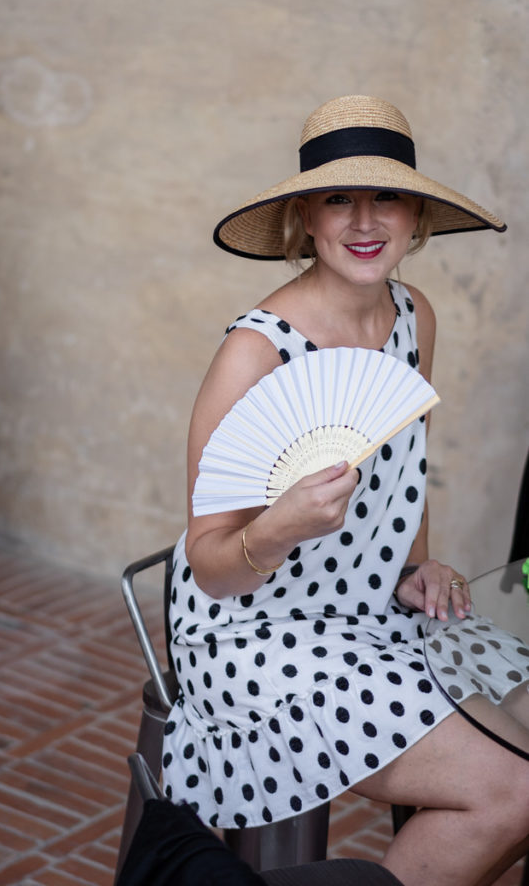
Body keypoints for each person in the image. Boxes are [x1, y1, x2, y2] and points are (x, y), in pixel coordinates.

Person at [161, 96, 529, 886]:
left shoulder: (413, 316)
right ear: (304, 218)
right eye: (337, 197)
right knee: (514, 790)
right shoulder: (254, 354)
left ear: (416, 216)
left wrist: (416, 566)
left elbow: (405, 465)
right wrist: (281, 527)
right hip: (256, 634)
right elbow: (210, 566)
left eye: (385, 195)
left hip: (368, 611)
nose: (364, 220)